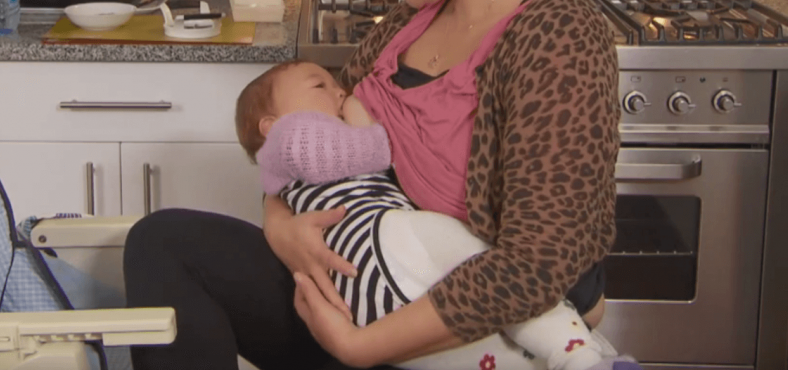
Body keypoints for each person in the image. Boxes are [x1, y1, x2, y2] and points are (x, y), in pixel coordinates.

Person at [124, 0, 625, 370]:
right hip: (358, 286)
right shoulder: (412, 20)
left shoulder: (559, 36)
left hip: (453, 335)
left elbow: (536, 266)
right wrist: (281, 226)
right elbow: (307, 139)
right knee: (162, 243)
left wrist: (360, 346)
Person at [234, 59, 635, 370]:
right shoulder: (292, 138)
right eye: (320, 85)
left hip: (365, 289)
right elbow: (371, 152)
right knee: (492, 268)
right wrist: (358, 109)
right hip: (379, 242)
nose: (339, 91)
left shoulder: (283, 168)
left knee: (486, 344)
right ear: (271, 125)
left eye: (336, 84)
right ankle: (582, 355)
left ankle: (586, 356)